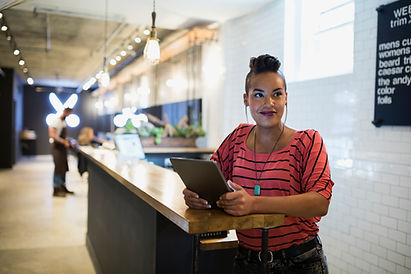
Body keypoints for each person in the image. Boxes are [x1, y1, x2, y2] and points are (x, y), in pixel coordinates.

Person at [183, 54, 334, 273]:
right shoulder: (237, 138)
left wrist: (254, 203)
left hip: (299, 261)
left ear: (286, 97)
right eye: (258, 95)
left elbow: (320, 202)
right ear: (246, 99)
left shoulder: (308, 141)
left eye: (276, 94)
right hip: (247, 260)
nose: (268, 103)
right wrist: (195, 194)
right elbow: (210, 177)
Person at [48, 107, 75, 197]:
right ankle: (56, 189)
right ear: (65, 112)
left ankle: (62, 186)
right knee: (58, 167)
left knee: (63, 167)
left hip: (62, 148)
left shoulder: (63, 122)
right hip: (57, 147)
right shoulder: (56, 121)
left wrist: (67, 141)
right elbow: (52, 135)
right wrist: (64, 142)